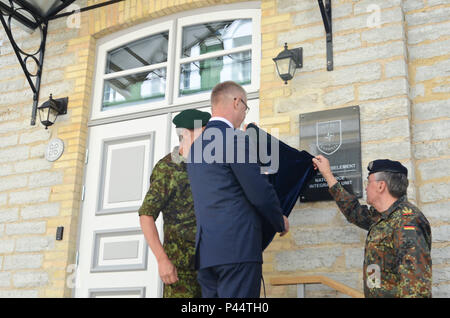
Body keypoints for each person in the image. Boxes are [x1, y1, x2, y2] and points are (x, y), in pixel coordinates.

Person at [186, 81, 289, 298]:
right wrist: (279, 219)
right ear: (236, 102)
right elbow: (258, 191)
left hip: (206, 253)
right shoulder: (235, 139)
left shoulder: (196, 147)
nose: (244, 114)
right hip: (237, 250)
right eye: (245, 107)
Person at [312, 155, 432, 298]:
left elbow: (416, 288)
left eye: (368, 182)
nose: (366, 188)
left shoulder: (407, 222)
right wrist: (327, 174)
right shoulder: (382, 217)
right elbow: (353, 211)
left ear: (381, 186)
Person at [138, 109, 211, 298]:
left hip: (211, 265)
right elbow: (146, 215)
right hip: (182, 272)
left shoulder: (208, 164)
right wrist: (162, 260)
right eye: (204, 133)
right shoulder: (167, 168)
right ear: (186, 134)